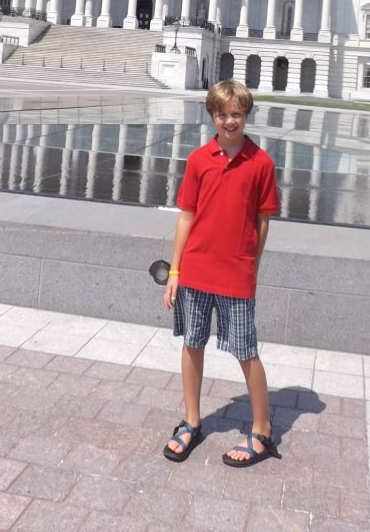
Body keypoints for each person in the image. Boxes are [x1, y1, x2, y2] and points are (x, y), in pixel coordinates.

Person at [162, 79, 281, 468]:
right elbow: (186, 216)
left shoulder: (260, 162)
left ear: (246, 115)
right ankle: (192, 421)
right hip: (195, 270)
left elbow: (262, 223)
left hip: (235, 274)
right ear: (212, 116)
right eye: (222, 114)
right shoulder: (199, 159)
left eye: (237, 114)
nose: (230, 121)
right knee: (192, 343)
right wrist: (175, 269)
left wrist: (252, 266)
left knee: (246, 352)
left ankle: (261, 429)